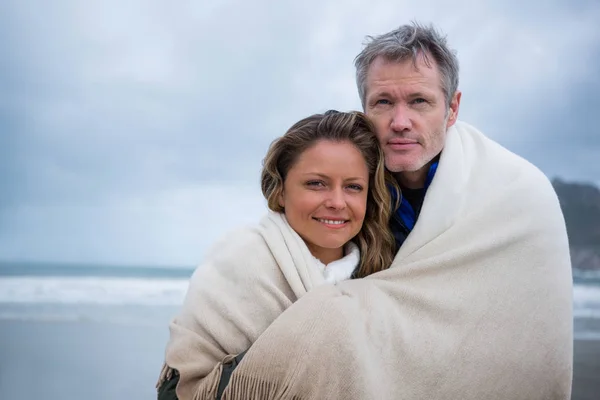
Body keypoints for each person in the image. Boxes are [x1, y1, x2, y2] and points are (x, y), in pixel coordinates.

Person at [213, 22, 573, 399]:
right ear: (365, 108)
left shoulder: (516, 192)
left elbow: (526, 340)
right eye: (383, 102)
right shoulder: (347, 192)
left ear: (452, 108)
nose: (400, 122)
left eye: (419, 101)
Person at [155, 110, 397, 399]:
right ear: (281, 191)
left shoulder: (382, 274)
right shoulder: (240, 260)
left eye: (353, 187)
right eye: (316, 184)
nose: (336, 202)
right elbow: (176, 392)